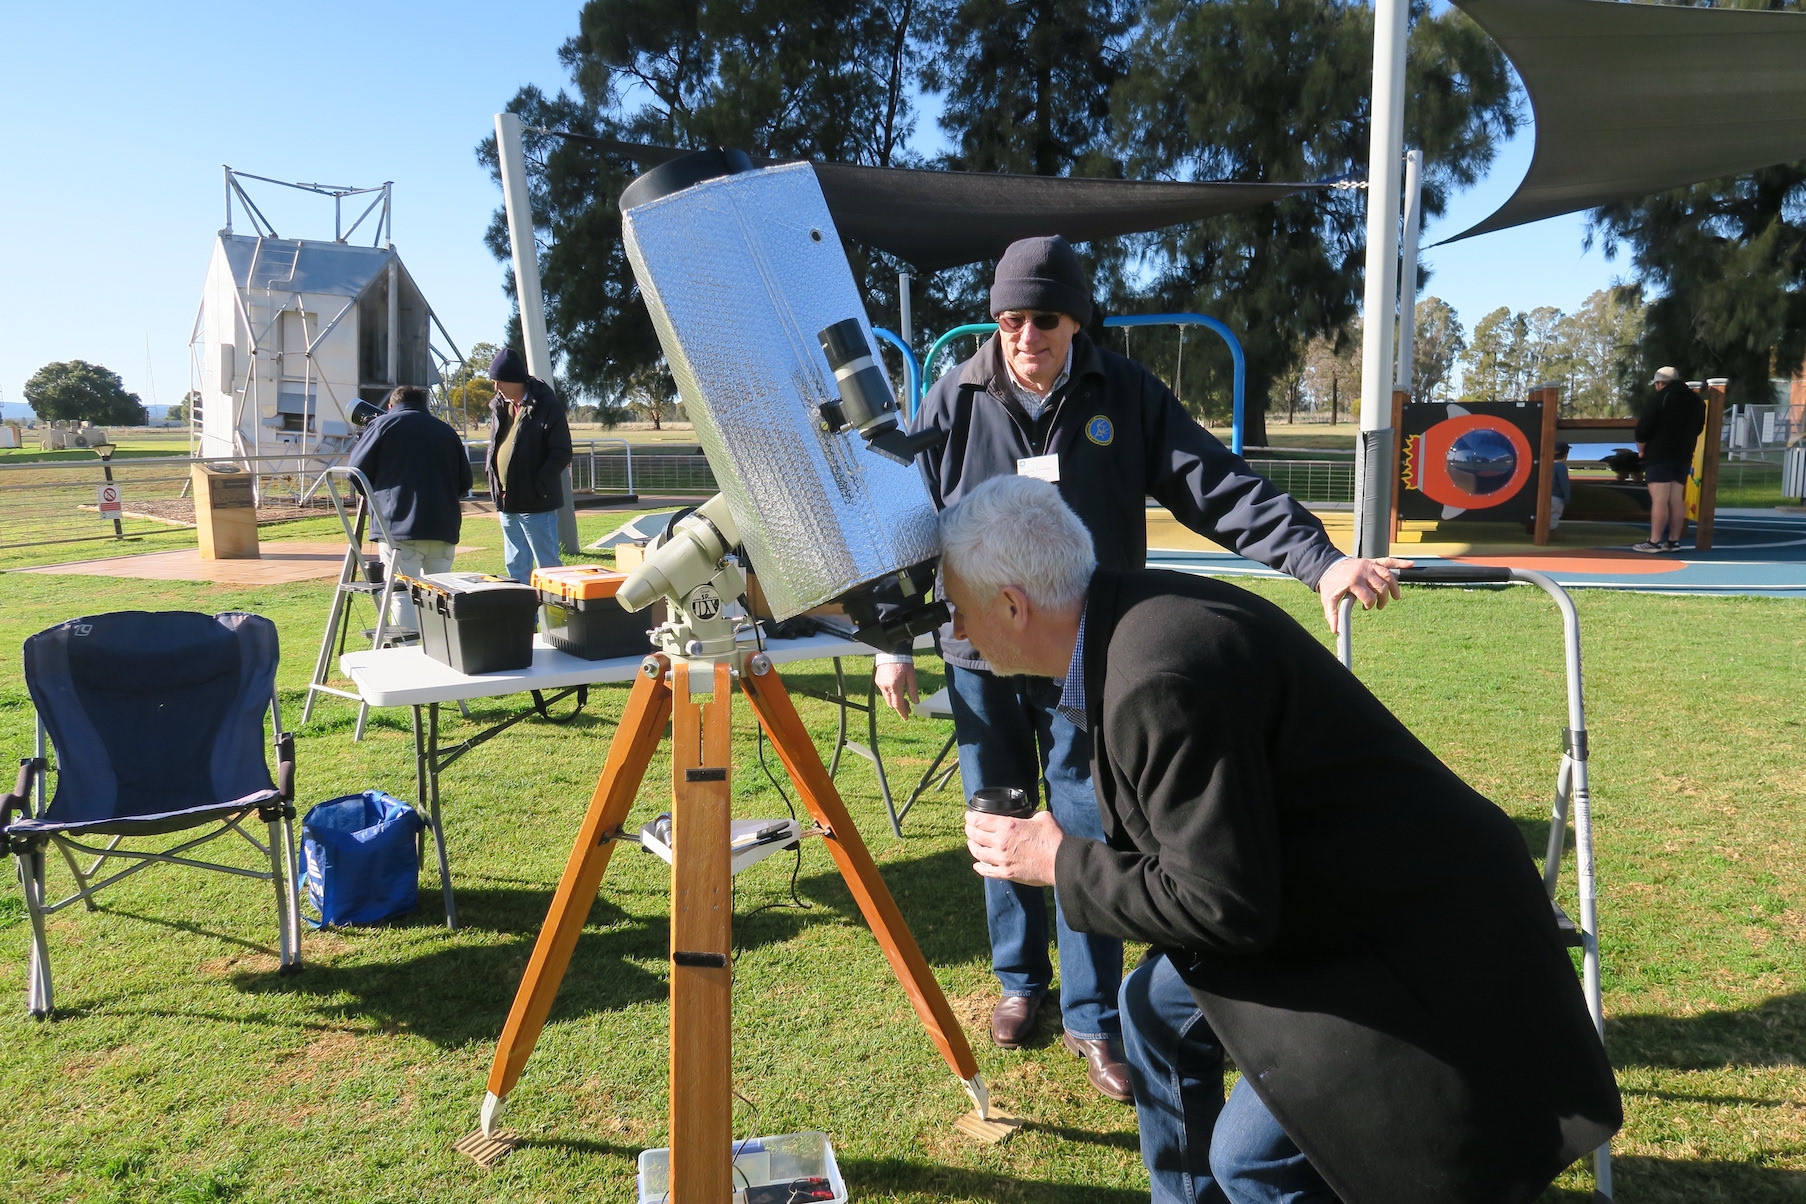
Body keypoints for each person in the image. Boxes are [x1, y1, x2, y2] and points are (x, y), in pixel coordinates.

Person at [948, 475, 1623, 1204]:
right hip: (1321, 891)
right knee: (1151, 1010)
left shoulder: (1155, 676)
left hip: (1405, 934)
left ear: (1014, 606)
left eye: (957, 611)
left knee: (1253, 1163)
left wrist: (1059, 861)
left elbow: (1225, 907)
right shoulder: (1131, 616)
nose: (955, 632)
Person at [874, 234, 1407, 1102]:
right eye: (1009, 318)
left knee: (1088, 823)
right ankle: (1020, 985)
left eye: (1043, 318)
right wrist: (896, 642)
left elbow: (1217, 486)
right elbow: (904, 524)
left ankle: (1094, 1015)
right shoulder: (956, 395)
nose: (1025, 335)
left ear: (1077, 320)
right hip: (978, 647)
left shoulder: (1124, 393)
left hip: (1081, 648)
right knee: (994, 815)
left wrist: (1320, 558)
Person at [346, 384, 473, 631]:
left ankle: (407, 651)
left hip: (398, 528)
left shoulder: (382, 425)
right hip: (443, 527)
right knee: (440, 594)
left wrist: (375, 497)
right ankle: (442, 651)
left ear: (390, 406)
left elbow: (355, 473)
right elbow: (464, 482)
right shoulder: (446, 431)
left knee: (402, 593)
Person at [485, 347, 572, 584]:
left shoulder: (546, 405)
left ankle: (556, 620)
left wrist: (538, 486)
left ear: (515, 379)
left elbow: (561, 452)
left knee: (548, 567)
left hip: (537, 503)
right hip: (507, 500)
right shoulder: (500, 406)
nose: (496, 387)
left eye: (499, 381)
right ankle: (525, 620)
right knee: (515, 565)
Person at [1632, 366, 1704, 553]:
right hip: (1683, 454)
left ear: (1659, 383)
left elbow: (1643, 428)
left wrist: (1641, 449)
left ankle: (1654, 541)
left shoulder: (1661, 398)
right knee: (1676, 499)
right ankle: (1673, 541)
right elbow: (1698, 428)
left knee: (1659, 500)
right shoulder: (1696, 401)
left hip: (1660, 454)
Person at [1527, 441, 1571, 536]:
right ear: (1565, 454)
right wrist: (1567, 497)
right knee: (1555, 514)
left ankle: (1536, 529)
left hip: (1544, 495)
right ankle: (1550, 532)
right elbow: (1564, 484)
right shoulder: (1561, 467)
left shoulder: (1545, 465)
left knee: (1542, 514)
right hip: (1557, 497)